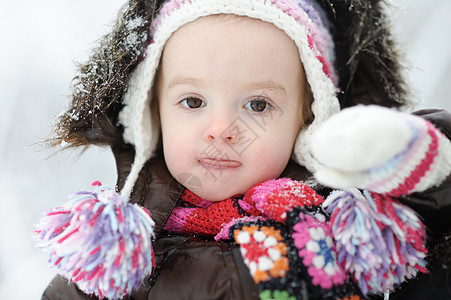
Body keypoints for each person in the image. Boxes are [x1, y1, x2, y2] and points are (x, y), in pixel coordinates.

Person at [37, 0, 451, 299]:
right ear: (154, 116)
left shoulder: (349, 227)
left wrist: (417, 160)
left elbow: (436, 212)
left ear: (307, 122)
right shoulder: (116, 257)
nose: (221, 130)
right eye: (193, 102)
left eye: (258, 105)